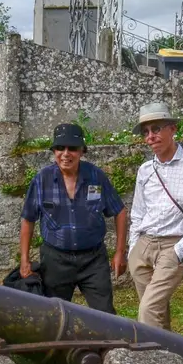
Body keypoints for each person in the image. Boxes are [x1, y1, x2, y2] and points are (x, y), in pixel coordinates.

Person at [18, 123, 127, 314]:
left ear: (82, 151)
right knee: (54, 317)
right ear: (54, 151)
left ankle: (106, 345)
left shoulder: (96, 176)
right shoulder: (41, 180)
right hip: (55, 260)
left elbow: (119, 211)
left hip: (93, 260)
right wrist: (24, 260)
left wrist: (119, 252)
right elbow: (28, 219)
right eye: (60, 148)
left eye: (72, 148)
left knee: (106, 315)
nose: (66, 154)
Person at [127, 102, 183, 330]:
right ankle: (167, 358)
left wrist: (180, 251)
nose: (150, 137)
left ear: (173, 129)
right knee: (156, 310)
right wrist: (132, 248)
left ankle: (151, 360)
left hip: (174, 245)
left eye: (156, 129)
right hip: (144, 245)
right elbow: (138, 212)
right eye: (146, 132)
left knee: (148, 309)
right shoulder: (145, 170)